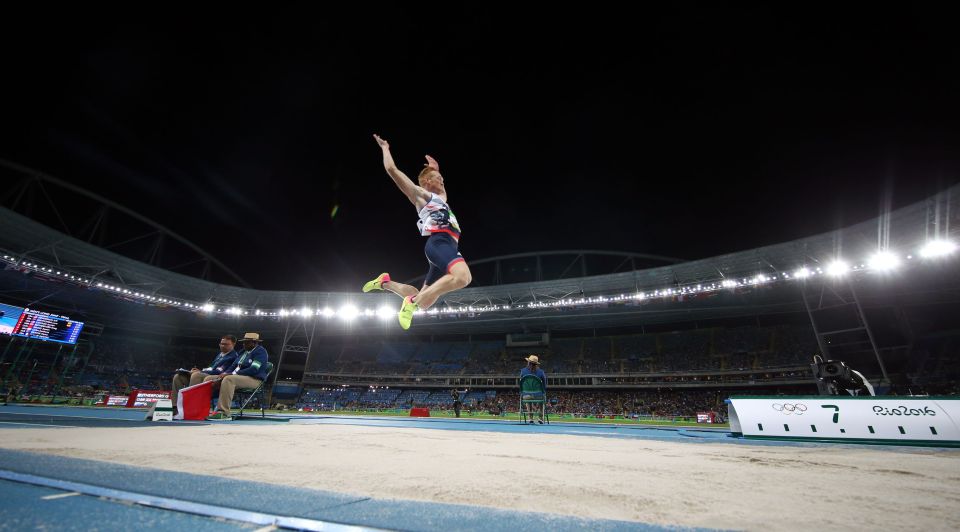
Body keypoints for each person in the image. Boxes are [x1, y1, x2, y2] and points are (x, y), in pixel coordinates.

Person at [362, 134, 473, 330]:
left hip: (446, 247)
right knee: (463, 277)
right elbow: (391, 169)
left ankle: (385, 283)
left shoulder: (441, 199)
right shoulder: (420, 196)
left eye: (443, 179)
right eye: (439, 179)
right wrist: (385, 148)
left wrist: (435, 169)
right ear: (427, 183)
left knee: (426, 302)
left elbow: (439, 188)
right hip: (439, 244)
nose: (443, 181)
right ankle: (411, 303)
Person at [206, 332, 270, 420]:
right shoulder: (243, 352)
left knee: (229, 379)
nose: (244, 344)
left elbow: (253, 369)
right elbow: (233, 366)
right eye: (243, 342)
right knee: (209, 379)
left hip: (254, 379)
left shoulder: (260, 352)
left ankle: (224, 413)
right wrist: (225, 373)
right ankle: (204, 408)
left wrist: (232, 374)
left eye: (247, 342)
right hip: (238, 377)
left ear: (254, 342)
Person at [170, 335, 238, 416]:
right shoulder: (220, 355)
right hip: (207, 376)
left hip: (218, 380)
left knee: (196, 375)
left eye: (226, 344)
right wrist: (198, 371)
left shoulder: (233, 356)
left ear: (233, 344)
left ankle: (191, 406)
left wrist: (200, 372)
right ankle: (175, 407)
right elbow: (211, 368)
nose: (223, 346)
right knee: (178, 377)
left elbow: (218, 371)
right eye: (221, 344)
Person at [519, 355, 547, 424]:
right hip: (539, 396)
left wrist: (522, 392)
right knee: (542, 400)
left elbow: (521, 383)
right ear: (536, 364)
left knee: (528, 400)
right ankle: (540, 418)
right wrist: (543, 392)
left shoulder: (523, 371)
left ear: (528, 363)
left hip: (526, 395)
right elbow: (544, 385)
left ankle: (530, 418)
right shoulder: (541, 372)